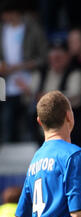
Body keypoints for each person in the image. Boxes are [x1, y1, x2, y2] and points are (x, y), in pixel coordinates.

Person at [0, 0, 48, 142]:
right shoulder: (2, 29)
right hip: (5, 82)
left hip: (30, 82)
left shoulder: (33, 28)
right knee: (7, 119)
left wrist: (20, 67)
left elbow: (43, 57)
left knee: (30, 119)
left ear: (14, 13)